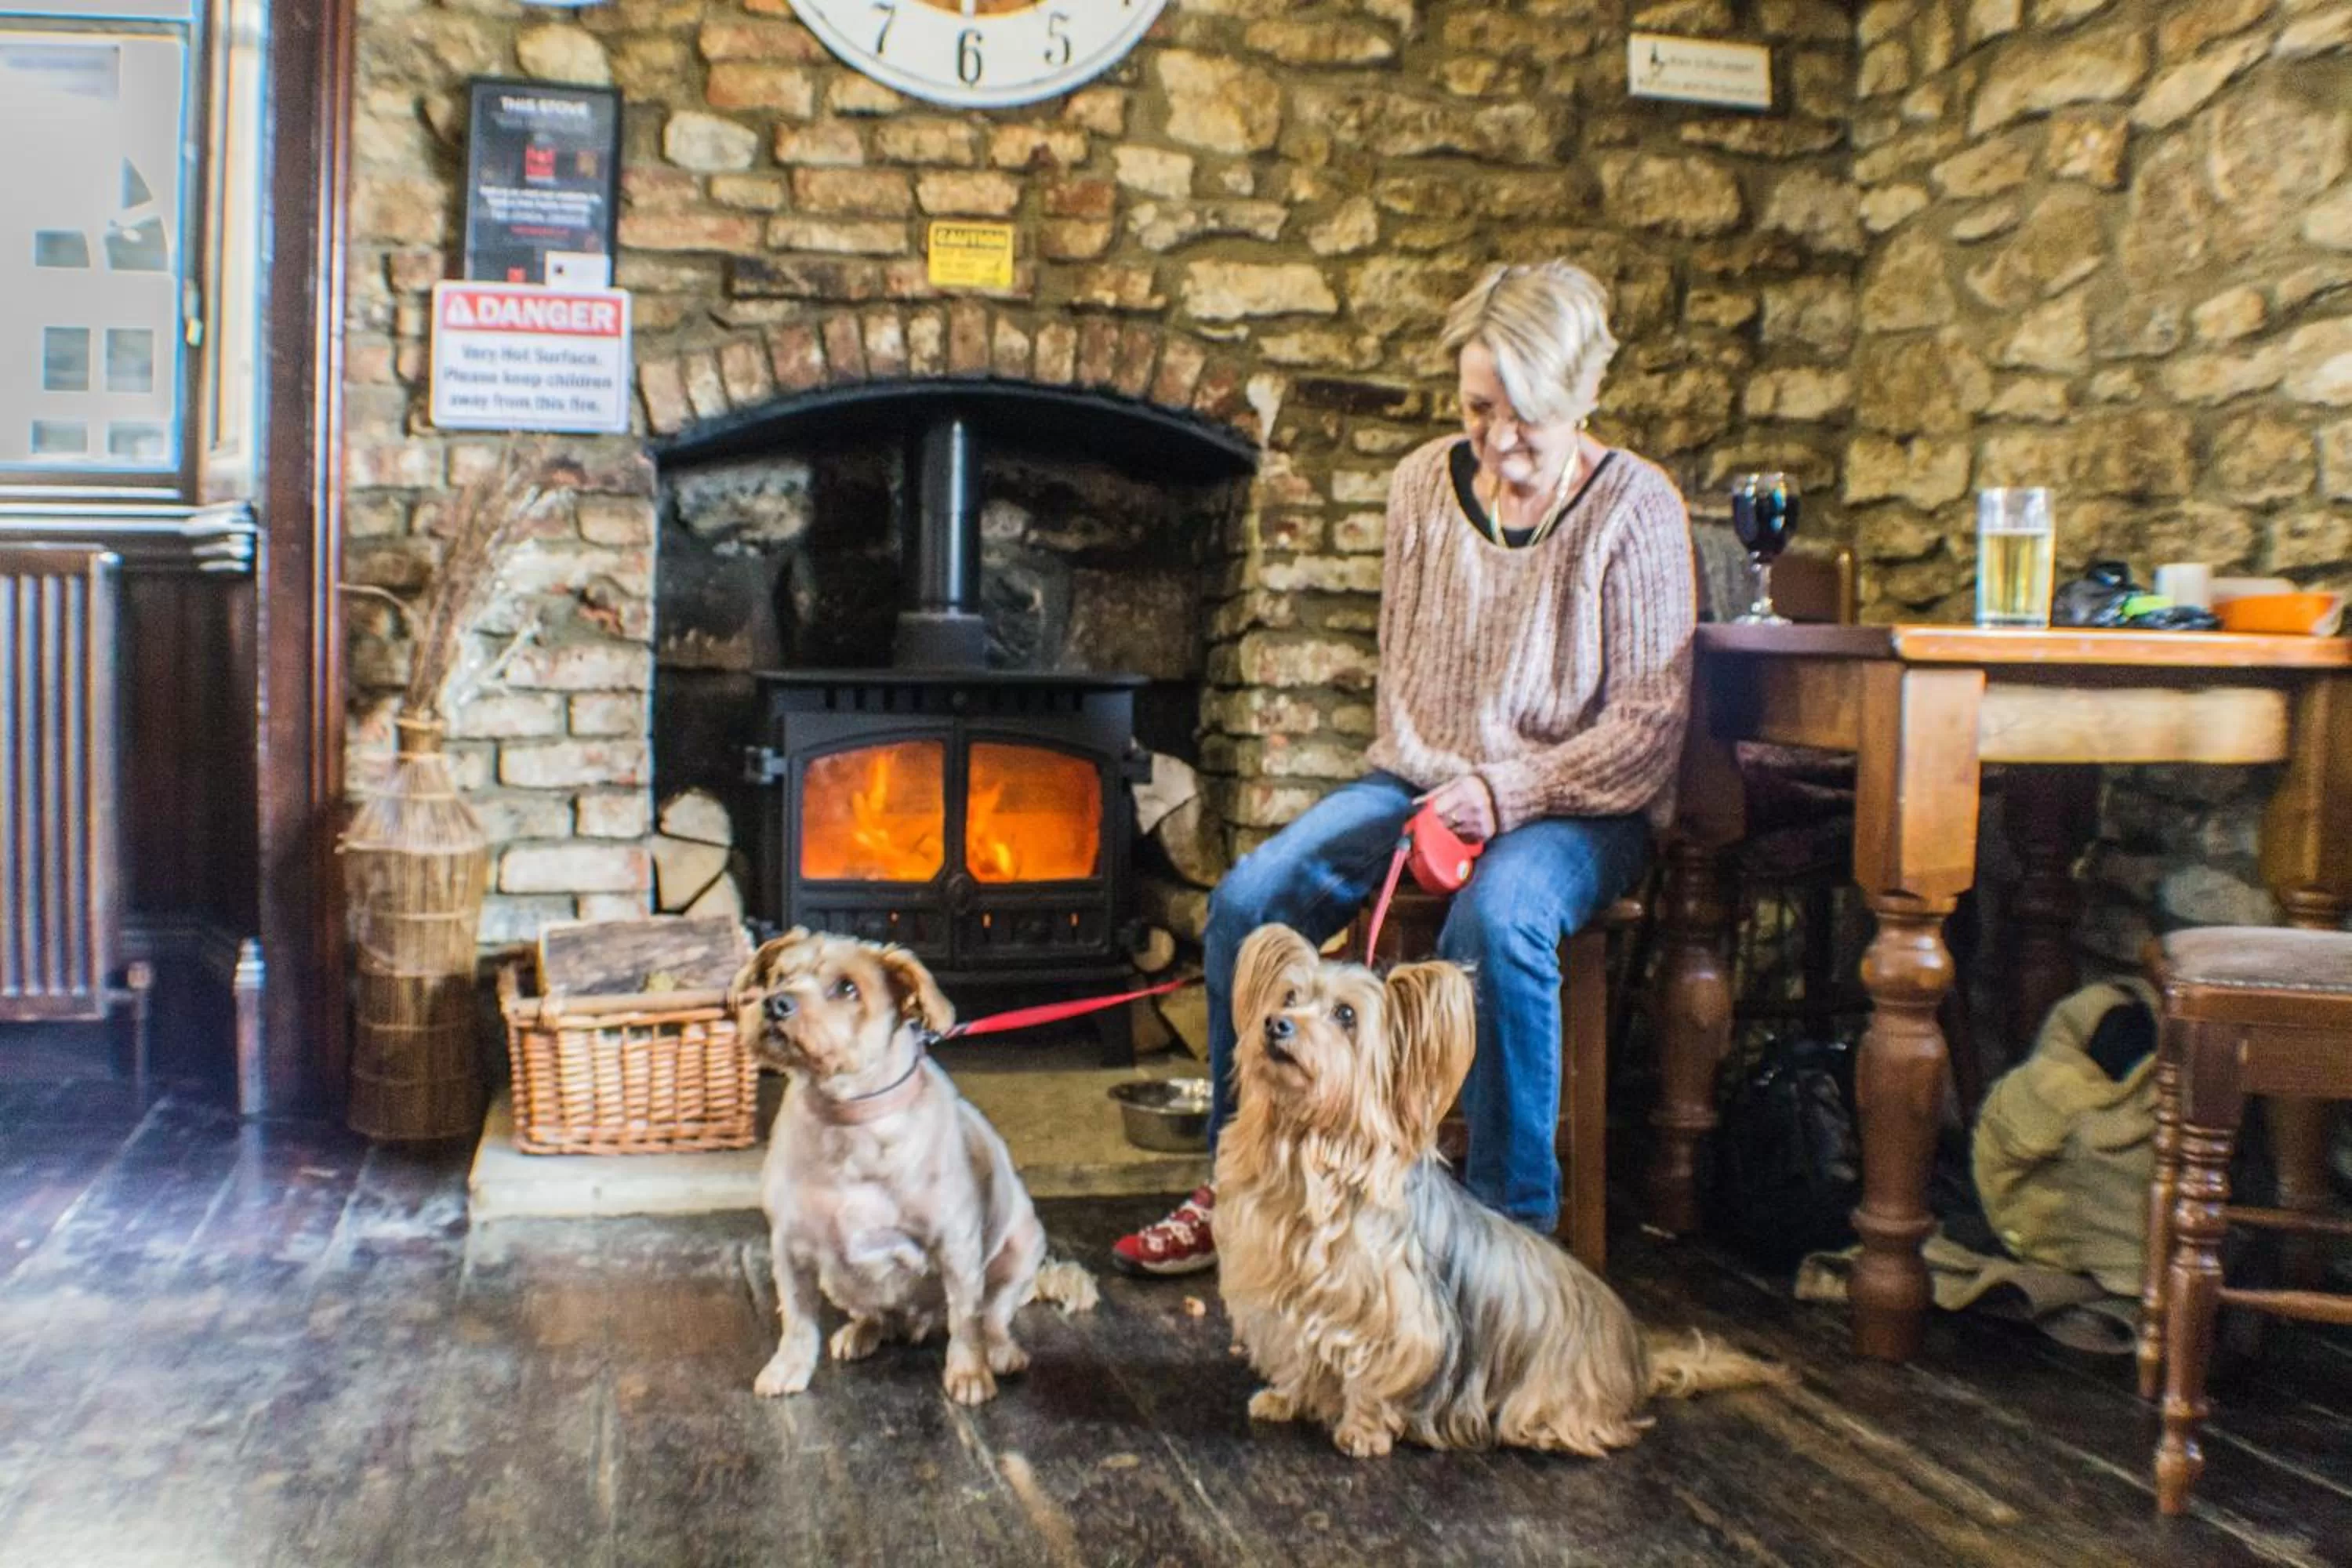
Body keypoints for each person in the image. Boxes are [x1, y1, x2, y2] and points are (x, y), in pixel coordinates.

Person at [1112, 260, 1699, 1276]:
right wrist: (1438, 800)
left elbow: (1647, 732)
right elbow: (1408, 686)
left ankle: (1509, 1243)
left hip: (1579, 805)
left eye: (1526, 417)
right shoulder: (1424, 485)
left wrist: (1502, 794)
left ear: (1585, 394)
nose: (1497, 442)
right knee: (1250, 901)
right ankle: (1241, 1183)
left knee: (1497, 924)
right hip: (1424, 786)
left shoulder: (1636, 507)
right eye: (1478, 409)